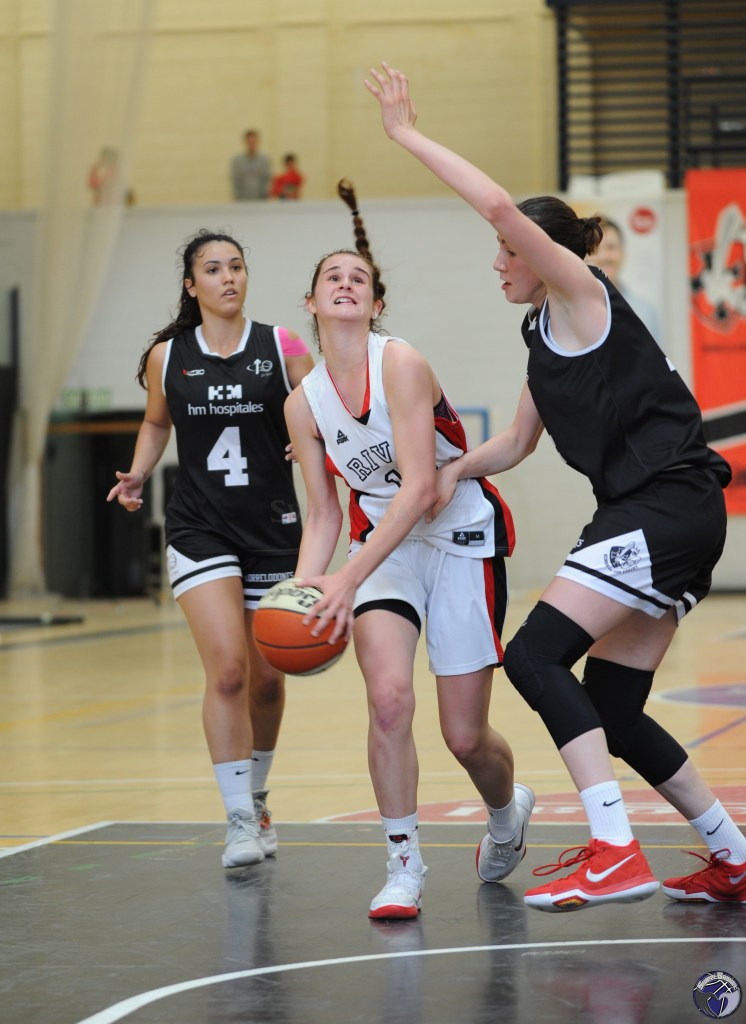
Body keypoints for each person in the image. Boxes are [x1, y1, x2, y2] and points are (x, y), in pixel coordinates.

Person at [364, 62, 746, 911]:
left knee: (535, 656)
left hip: (663, 508)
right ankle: (734, 854)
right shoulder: (545, 333)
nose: (497, 261)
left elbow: (501, 205)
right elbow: (516, 442)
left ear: (545, 255)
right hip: (671, 517)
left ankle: (615, 849)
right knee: (614, 704)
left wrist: (406, 134)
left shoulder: (581, 295)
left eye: (508, 251)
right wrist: (448, 471)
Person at [285, 180, 533, 920]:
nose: (345, 283)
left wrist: (345, 578)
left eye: (358, 278)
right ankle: (403, 865)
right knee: (389, 700)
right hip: (383, 550)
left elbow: (422, 488)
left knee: (465, 736)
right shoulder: (302, 404)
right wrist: (304, 592)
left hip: (459, 538)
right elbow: (323, 511)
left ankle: (506, 810)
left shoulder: (401, 363)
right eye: (332, 276)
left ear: (376, 304)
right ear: (310, 302)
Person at [107, 229, 314, 868]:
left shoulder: (283, 345)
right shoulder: (168, 357)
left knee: (267, 681)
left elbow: (324, 407)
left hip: (273, 528)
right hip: (200, 527)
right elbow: (156, 420)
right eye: (214, 269)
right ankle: (238, 819)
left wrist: (310, 436)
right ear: (191, 285)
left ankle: (259, 797)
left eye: (237, 267)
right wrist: (139, 472)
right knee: (227, 670)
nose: (228, 277)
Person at [592, 216, 662, 345]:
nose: (604, 256)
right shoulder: (569, 310)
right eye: (595, 248)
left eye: (611, 247)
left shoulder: (645, 312)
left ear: (623, 254)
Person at [230, 130, 271, 200]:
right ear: (245, 142)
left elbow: (267, 178)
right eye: (249, 142)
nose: (252, 144)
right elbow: (235, 179)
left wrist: (266, 195)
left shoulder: (264, 160)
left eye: (253, 141)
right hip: (242, 199)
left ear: (257, 141)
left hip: (260, 199)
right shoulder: (237, 161)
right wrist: (237, 195)